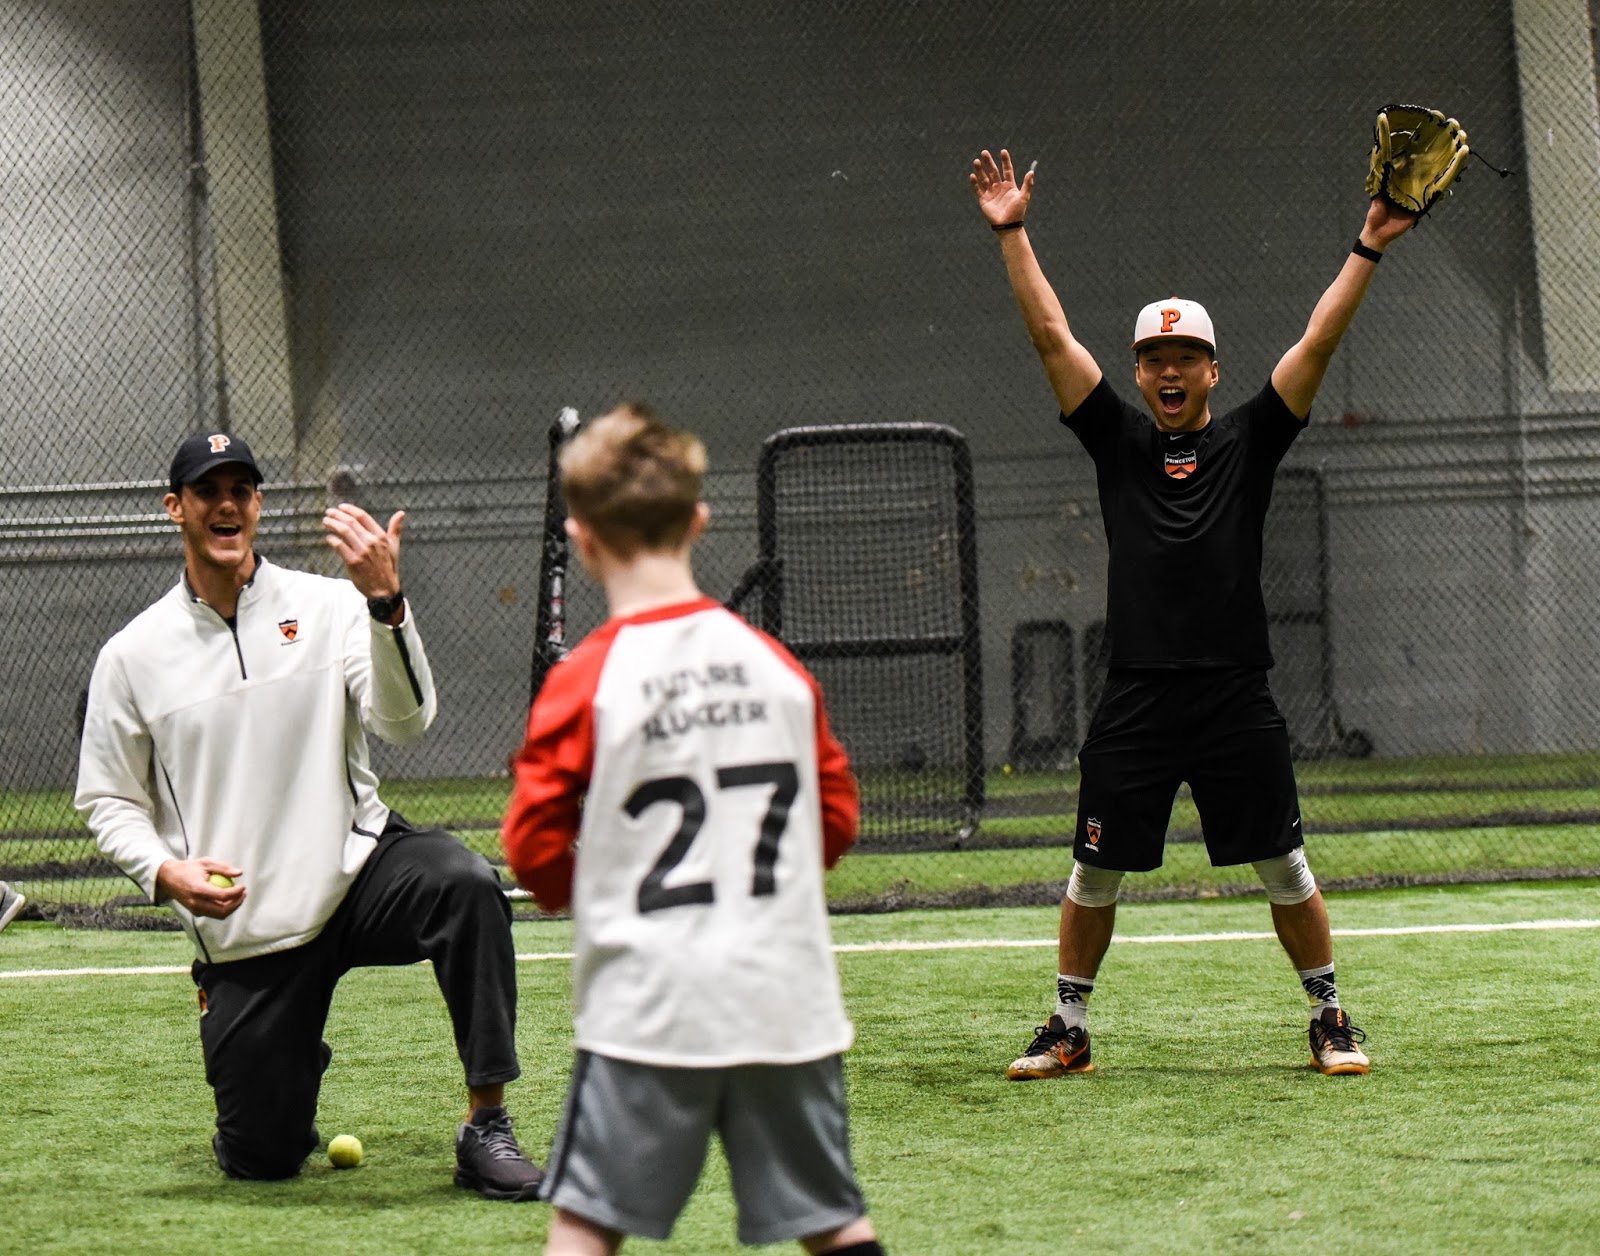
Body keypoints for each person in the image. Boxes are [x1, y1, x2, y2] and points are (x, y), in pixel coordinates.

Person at [969, 145, 1431, 1079]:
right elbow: (1053, 338)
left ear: (1214, 371)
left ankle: (1330, 1017)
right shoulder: (1116, 439)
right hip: (1137, 693)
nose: (1169, 370)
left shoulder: (1253, 439)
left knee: (1284, 866)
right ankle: (1068, 1028)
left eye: (1185, 357)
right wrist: (1013, 233)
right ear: (1139, 374)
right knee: (1093, 870)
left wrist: (1371, 243)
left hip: (1232, 695)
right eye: (1154, 359)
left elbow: (1318, 341)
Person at [74, 431, 544, 1197]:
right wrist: (163, 871)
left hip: (358, 872)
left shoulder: (332, 607)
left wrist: (386, 606)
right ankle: (285, 1061)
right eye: (207, 492)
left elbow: (406, 721)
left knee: (464, 884)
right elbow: (109, 798)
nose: (226, 504)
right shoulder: (131, 656)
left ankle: (485, 1123)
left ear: (258, 505)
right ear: (175, 508)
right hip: (249, 918)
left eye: (241, 490)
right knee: (263, 1157)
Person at [502, 405, 884, 1256]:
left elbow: (532, 849)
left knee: (587, 1223)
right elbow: (834, 821)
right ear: (699, 520)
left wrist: (588, 892)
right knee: (832, 1220)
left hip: (651, 1003)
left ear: (582, 539)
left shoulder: (586, 680)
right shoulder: (776, 670)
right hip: (782, 998)